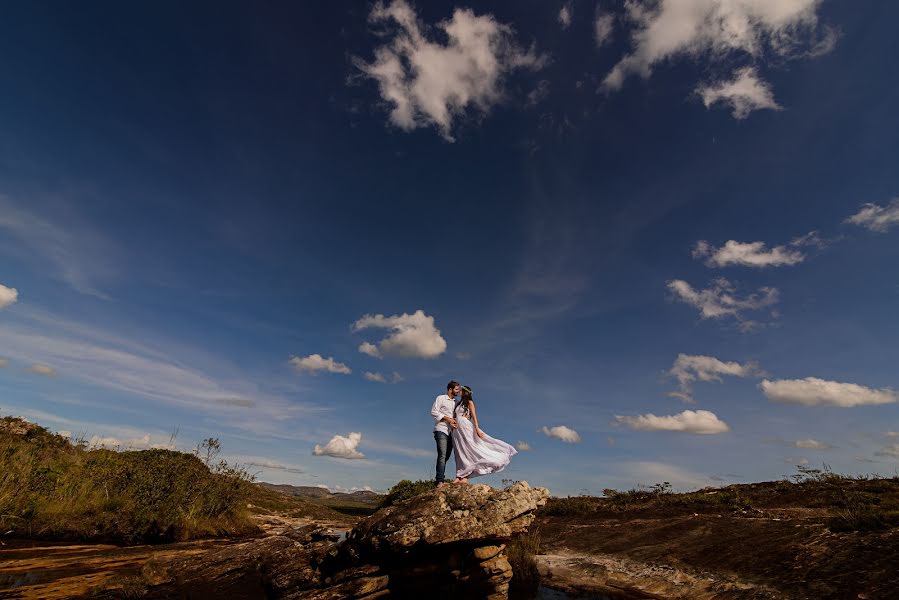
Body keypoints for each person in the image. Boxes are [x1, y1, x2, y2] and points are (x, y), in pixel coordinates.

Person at [451, 385, 517, 484]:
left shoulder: (470, 402)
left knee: (470, 449)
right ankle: (459, 475)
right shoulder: (458, 403)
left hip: (466, 427)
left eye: (460, 390)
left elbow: (474, 416)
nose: (459, 391)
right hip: (457, 430)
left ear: (465, 392)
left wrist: (477, 429)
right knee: (459, 451)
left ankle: (466, 476)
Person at [431, 380, 460, 487]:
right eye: (456, 389)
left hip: (452, 433)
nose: (458, 391)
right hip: (441, 430)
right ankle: (440, 481)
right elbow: (434, 412)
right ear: (450, 389)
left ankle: (440, 477)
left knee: (446, 456)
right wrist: (448, 419)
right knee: (442, 455)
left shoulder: (457, 403)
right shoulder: (441, 398)